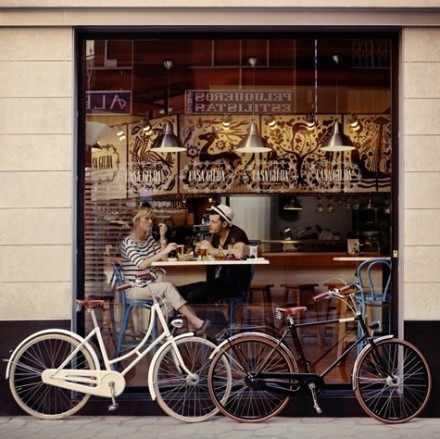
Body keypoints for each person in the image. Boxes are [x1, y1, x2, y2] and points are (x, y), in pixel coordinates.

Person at [120, 206, 210, 335]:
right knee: (168, 288)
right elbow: (141, 265)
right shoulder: (128, 242)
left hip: (148, 286)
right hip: (133, 288)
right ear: (137, 221)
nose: (150, 222)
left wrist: (162, 238)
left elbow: (164, 260)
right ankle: (195, 322)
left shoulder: (149, 240)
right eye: (147, 218)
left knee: (169, 299)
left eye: (151, 219)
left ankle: (158, 336)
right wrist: (166, 249)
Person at [177, 204, 253, 304]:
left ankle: (203, 319)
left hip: (236, 285)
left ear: (224, 224)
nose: (209, 224)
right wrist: (201, 251)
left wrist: (211, 250)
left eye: (214, 222)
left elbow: (239, 253)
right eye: (209, 221)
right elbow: (213, 255)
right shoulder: (216, 236)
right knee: (181, 291)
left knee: (193, 296)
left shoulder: (236, 233)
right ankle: (182, 319)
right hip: (221, 281)